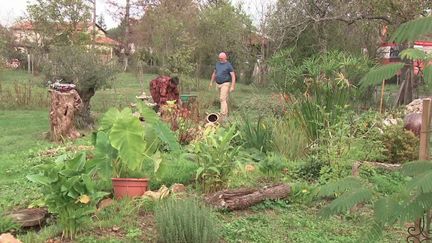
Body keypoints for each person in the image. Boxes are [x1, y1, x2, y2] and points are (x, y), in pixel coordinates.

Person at [209, 52, 236, 119]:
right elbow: (214, 73)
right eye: (219, 58)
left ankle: (222, 115)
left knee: (222, 98)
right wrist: (211, 82)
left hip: (225, 83)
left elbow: (233, 76)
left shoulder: (228, 65)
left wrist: (232, 86)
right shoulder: (217, 64)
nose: (220, 59)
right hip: (218, 83)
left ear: (225, 58)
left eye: (221, 58)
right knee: (223, 100)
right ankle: (225, 115)